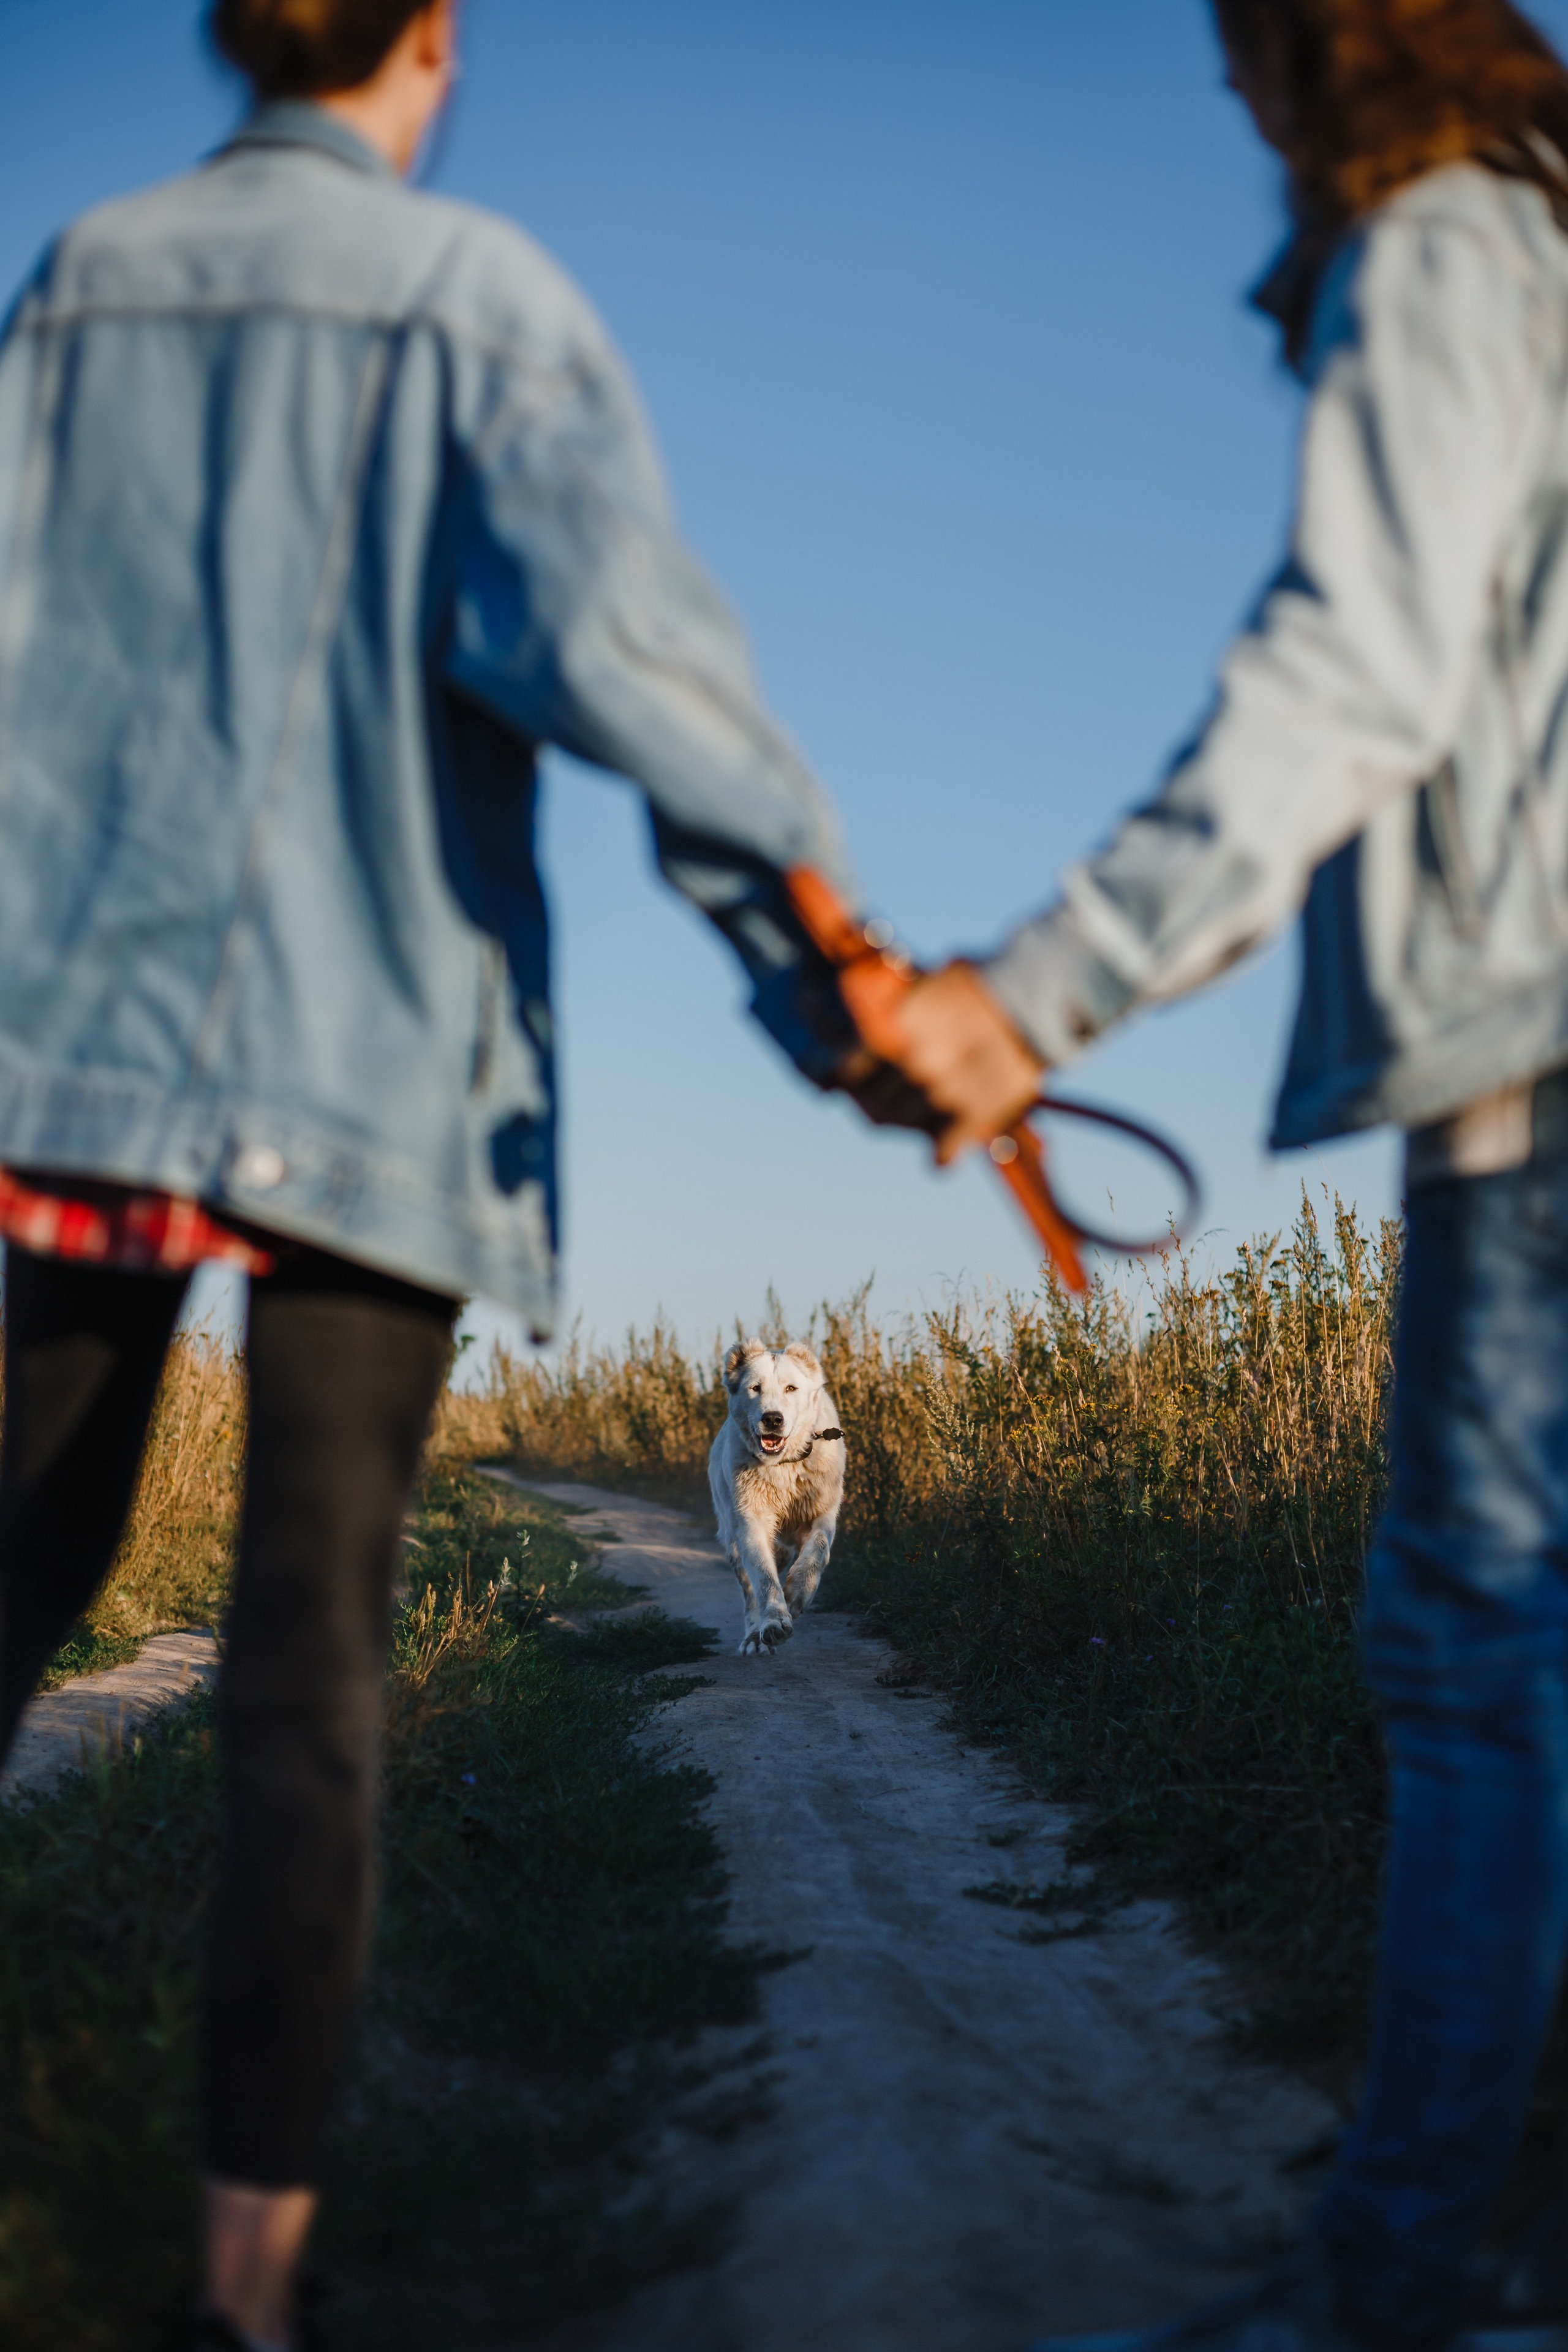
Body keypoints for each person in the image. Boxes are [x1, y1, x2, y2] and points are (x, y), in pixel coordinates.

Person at [0, 4, 924, 2345]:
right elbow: (639, 675)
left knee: (14, 1575)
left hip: (79, 1073)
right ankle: (244, 2286)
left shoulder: (83, 277)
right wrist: (838, 992)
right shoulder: (481, 309)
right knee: (310, 1670)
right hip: (381, 1086)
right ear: (431, 36)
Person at [884, 0, 1568, 2345]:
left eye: (1243, 64)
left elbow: (1354, 668)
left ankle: (1397, 2283)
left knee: (1477, 1656)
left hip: (1540, 1052)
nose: (1234, 108)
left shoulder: (1449, 247)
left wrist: (1045, 989)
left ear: (1318, 57)